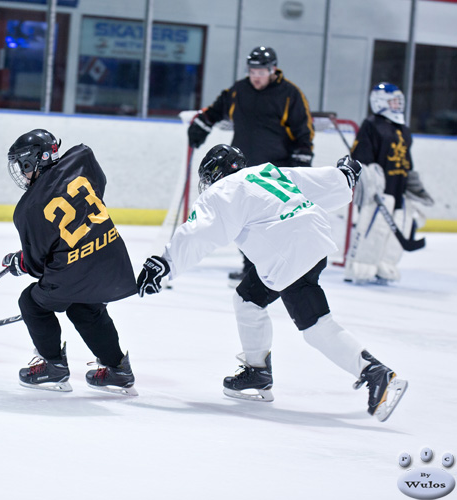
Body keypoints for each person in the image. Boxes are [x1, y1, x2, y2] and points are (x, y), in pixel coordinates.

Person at [136, 144, 408, 422]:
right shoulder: (267, 172)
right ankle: (257, 373)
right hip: (314, 239)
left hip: (289, 253)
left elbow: (198, 234)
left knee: (315, 326)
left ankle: (376, 374)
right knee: (247, 299)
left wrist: (164, 264)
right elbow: (316, 182)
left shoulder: (221, 191)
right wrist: (344, 175)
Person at [3, 129, 138, 395]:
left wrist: (20, 263)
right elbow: (99, 186)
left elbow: (37, 266)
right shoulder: (82, 159)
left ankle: (52, 365)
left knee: (32, 302)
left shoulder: (28, 209)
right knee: (84, 307)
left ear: (34, 161)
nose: (21, 170)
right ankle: (118, 370)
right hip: (112, 260)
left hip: (74, 271)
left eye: (23, 164)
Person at [187, 46, 315, 282]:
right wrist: (201, 124)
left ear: (273, 69)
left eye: (262, 71)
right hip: (242, 169)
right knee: (245, 220)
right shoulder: (239, 90)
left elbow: (304, 130)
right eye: (252, 70)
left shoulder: (290, 94)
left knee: (273, 222)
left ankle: (278, 267)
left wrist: (301, 160)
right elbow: (215, 110)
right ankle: (251, 269)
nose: (256, 76)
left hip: (275, 170)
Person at [345, 82, 433, 284]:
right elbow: (361, 157)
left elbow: (406, 161)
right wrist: (368, 181)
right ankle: (359, 267)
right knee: (372, 227)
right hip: (379, 190)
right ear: (379, 102)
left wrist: (413, 185)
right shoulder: (371, 125)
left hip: (399, 189)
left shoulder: (403, 129)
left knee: (398, 227)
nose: (397, 105)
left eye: (398, 102)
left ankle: (385, 265)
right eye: (393, 101)